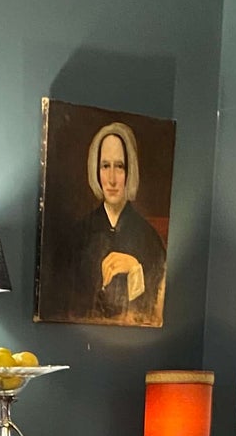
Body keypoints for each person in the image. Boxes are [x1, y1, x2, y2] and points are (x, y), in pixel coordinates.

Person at [71, 120, 166, 325]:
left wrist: (135, 270)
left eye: (120, 167)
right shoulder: (77, 236)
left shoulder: (150, 240)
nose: (112, 179)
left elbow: (151, 312)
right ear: (96, 171)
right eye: (105, 166)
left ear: (130, 172)